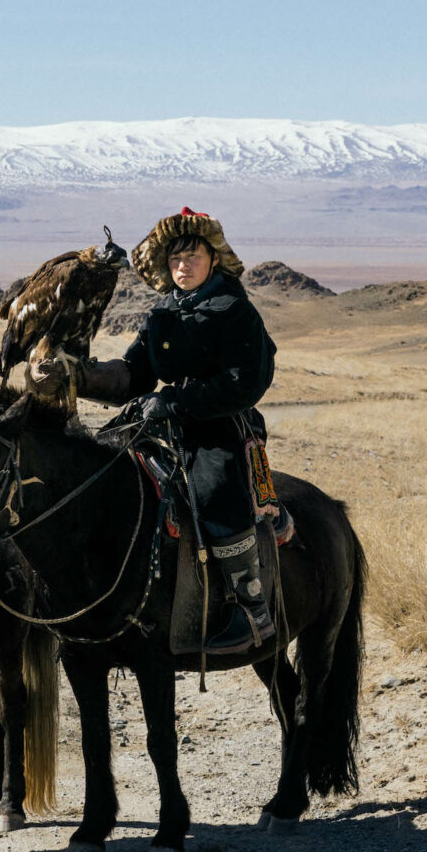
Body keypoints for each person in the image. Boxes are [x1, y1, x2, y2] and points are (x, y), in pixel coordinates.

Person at [77, 208, 278, 655]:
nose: (182, 266)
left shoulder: (235, 310)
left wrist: (178, 401)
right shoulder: (162, 312)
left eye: (192, 257)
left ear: (213, 259)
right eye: (174, 260)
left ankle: (251, 609)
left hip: (220, 423)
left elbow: (246, 382)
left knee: (214, 488)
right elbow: (135, 373)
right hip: (161, 419)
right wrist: (81, 378)